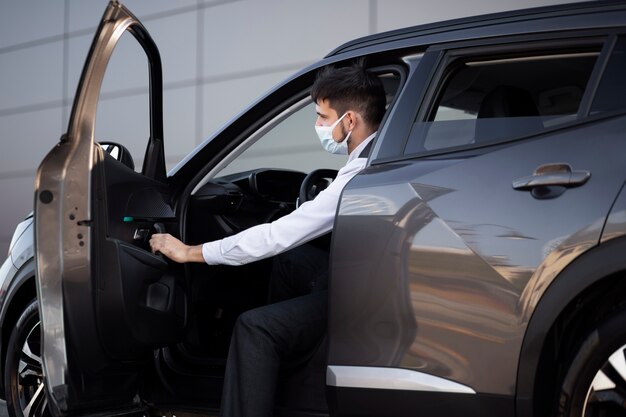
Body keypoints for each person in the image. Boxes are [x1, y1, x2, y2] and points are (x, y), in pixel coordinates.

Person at [149, 61, 386, 417]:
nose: (319, 126)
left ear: (349, 121)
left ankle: (268, 355)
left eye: (323, 117)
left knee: (254, 326)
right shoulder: (377, 155)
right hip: (363, 278)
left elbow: (277, 235)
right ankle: (287, 367)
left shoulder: (360, 176)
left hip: (361, 298)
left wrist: (190, 252)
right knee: (292, 261)